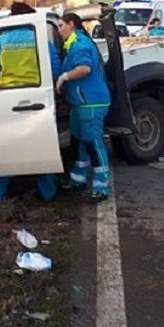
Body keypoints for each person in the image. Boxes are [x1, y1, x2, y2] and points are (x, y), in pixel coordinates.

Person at [0, 1, 62, 202]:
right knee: (42, 151)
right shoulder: (43, 41)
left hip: (5, 101)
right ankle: (48, 195)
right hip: (37, 101)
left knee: (4, 152)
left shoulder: (0, 42)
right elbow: (54, 70)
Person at [56, 12, 112, 202]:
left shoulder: (79, 43)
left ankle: (101, 188)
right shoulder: (73, 43)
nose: (59, 30)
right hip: (81, 102)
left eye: (60, 26)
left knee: (93, 144)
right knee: (80, 141)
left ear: (71, 24)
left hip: (91, 102)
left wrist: (64, 77)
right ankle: (77, 180)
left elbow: (84, 68)